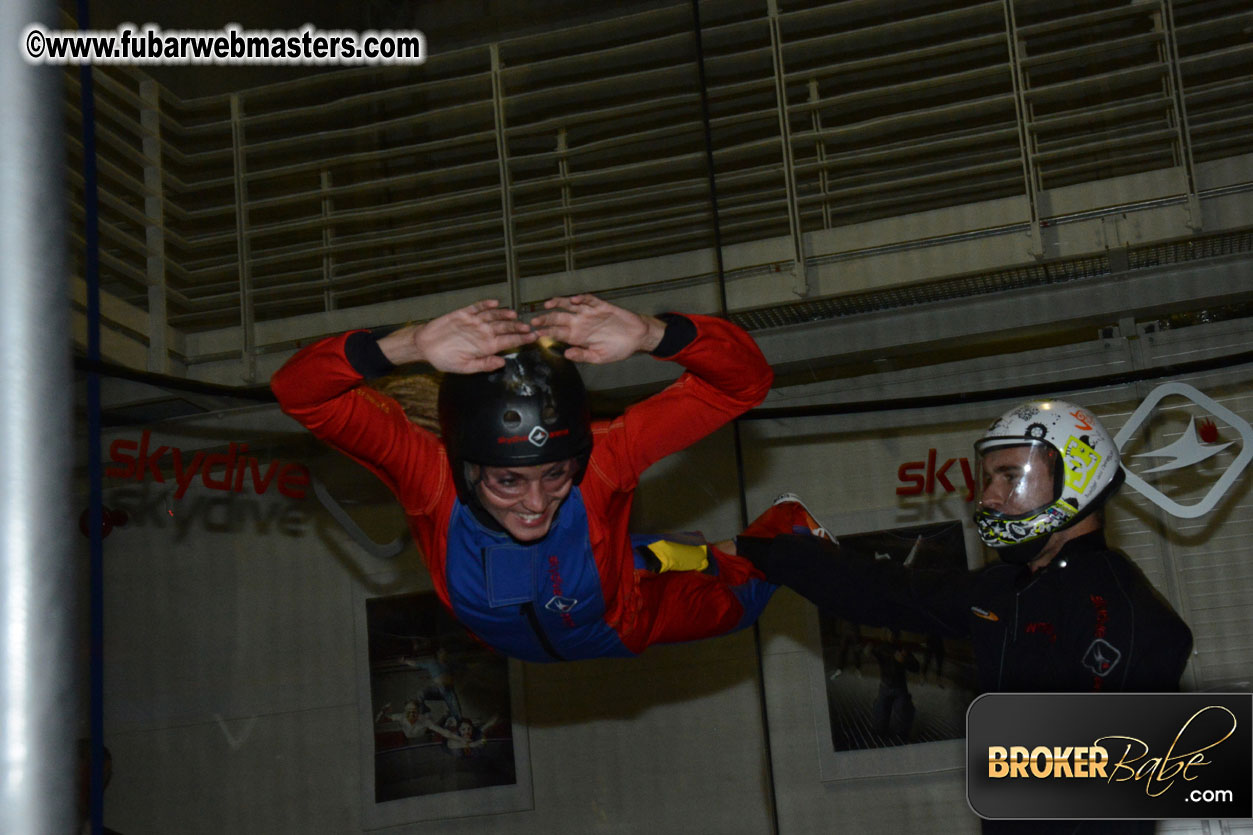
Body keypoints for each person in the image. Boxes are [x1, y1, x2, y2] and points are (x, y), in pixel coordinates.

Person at [273, 294, 820, 663]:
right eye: (508, 482)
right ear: (468, 468)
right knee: (646, 556)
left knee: (735, 605)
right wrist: (407, 345)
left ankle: (787, 524)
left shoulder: (604, 460)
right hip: (533, 615)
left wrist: (654, 334)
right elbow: (298, 392)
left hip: (618, 619)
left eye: (556, 473)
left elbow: (743, 384)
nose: (536, 503)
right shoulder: (430, 478)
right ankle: (678, 553)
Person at [733, 399, 1193, 833]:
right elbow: (884, 592)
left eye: (1010, 477)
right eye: (987, 479)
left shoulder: (1126, 615)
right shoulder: (1004, 589)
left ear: (1078, 477)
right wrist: (761, 550)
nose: (989, 497)